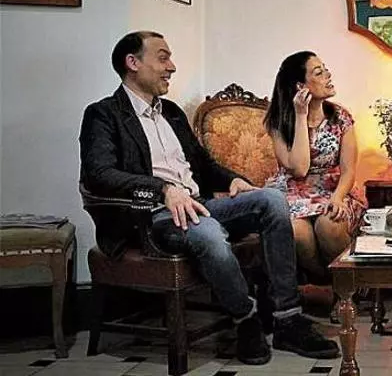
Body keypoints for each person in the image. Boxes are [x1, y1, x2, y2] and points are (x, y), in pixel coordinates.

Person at [79, 31, 340, 366]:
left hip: (200, 204)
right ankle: (246, 319)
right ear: (133, 63)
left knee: (272, 201)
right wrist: (162, 189)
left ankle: (287, 319)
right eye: (162, 57)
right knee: (209, 234)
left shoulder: (171, 112)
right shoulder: (103, 114)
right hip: (152, 216)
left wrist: (234, 181)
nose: (172, 67)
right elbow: (99, 174)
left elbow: (203, 164)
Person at [264, 52, 367, 284]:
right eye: (319, 73)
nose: (328, 75)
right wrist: (301, 115)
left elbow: (348, 170)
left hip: (334, 189)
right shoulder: (279, 122)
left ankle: (348, 286)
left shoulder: (340, 117)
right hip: (293, 194)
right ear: (301, 86)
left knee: (329, 225)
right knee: (296, 232)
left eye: (325, 69)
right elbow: (299, 169)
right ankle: (332, 284)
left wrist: (338, 198)